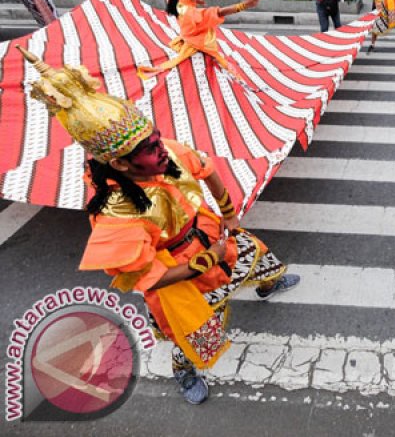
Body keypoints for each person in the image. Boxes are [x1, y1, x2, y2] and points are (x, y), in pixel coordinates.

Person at [17, 45, 300, 405]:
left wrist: (228, 212)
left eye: (154, 137)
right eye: (149, 147)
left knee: (259, 255)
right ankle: (184, 372)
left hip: (212, 234)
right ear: (120, 164)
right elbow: (143, 276)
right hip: (180, 274)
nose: (161, 147)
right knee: (194, 330)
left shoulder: (164, 151)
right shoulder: (118, 213)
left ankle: (267, 285)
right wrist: (204, 262)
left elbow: (206, 169)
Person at [138, 0, 263, 80]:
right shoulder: (187, 11)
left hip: (192, 38)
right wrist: (242, 6)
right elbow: (217, 13)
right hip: (197, 44)